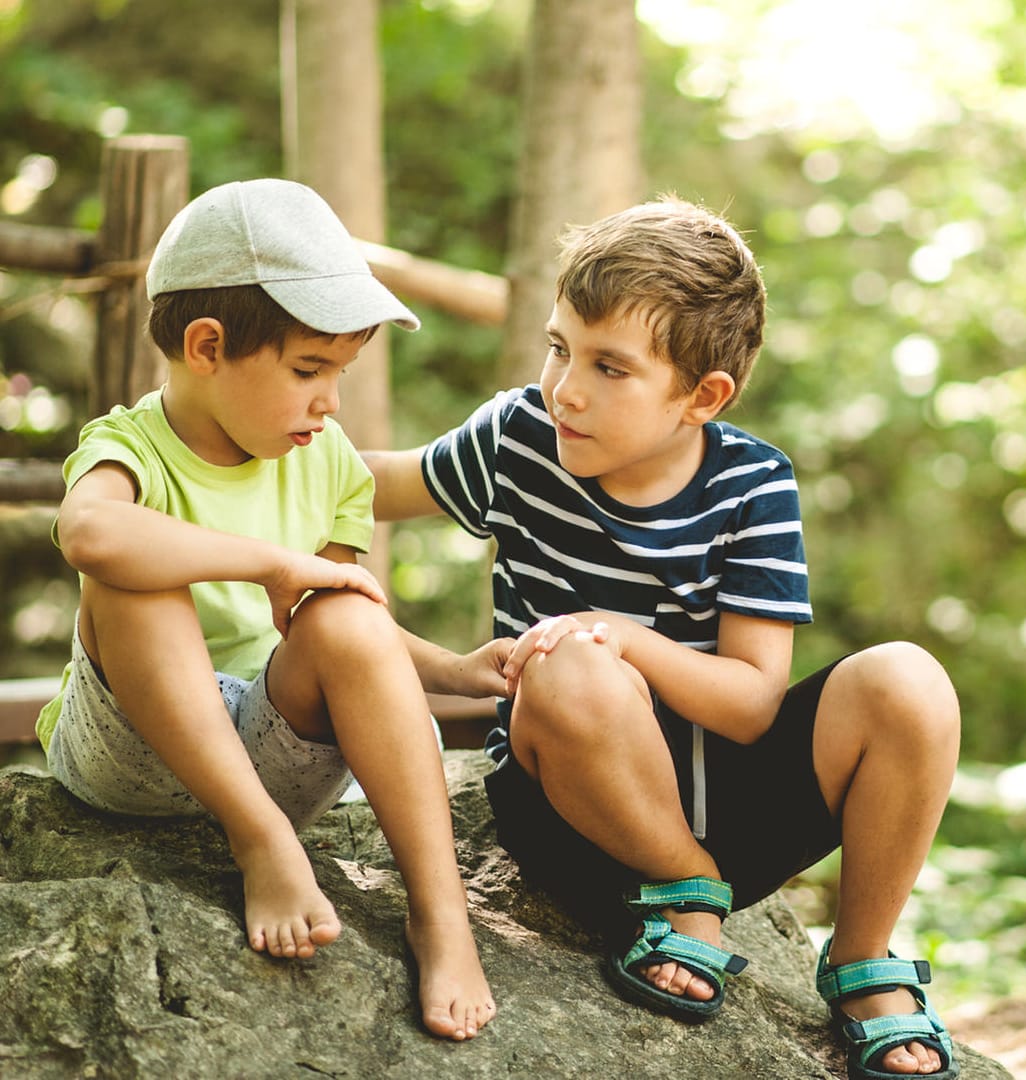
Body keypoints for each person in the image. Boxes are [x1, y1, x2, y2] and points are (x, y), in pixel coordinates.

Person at [365, 196, 961, 1078]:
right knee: (570, 666)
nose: (566, 387)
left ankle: (862, 955)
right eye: (559, 346)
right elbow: (369, 484)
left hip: (729, 809)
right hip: (575, 820)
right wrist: (231, 439)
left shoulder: (752, 485)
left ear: (701, 396)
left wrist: (627, 638)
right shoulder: (519, 439)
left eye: (611, 367)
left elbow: (755, 705)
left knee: (908, 681)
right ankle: (682, 892)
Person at [36, 178, 500, 1042]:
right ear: (206, 346)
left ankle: (441, 915)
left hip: (271, 747)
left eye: (340, 374)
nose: (330, 402)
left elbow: (343, 628)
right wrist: (270, 563)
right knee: (132, 573)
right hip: (129, 752)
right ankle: (261, 845)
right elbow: (90, 534)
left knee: (343, 610)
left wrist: (451, 669)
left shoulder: (329, 462)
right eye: (308, 370)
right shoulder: (128, 447)